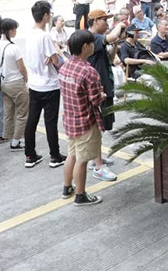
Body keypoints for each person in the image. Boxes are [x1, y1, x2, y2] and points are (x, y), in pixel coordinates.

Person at [59, 30, 106, 206]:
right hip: (85, 121)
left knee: (71, 154)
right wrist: (103, 95)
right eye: (92, 43)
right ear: (85, 46)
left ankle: (67, 188)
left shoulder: (64, 66)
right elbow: (95, 99)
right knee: (82, 160)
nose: (94, 45)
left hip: (70, 120)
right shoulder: (88, 71)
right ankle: (80, 195)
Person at [23, 1, 66, 169]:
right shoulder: (45, 36)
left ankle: (30, 155)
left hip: (34, 84)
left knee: (32, 120)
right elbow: (55, 59)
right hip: (49, 84)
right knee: (50, 121)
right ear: (46, 15)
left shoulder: (30, 34)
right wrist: (53, 57)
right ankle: (55, 155)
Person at [85, 8, 124, 179]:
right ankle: (98, 165)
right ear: (95, 21)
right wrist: (120, 24)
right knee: (96, 126)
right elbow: (112, 36)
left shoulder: (98, 40)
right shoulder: (92, 37)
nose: (107, 24)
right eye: (104, 20)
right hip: (97, 90)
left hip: (104, 86)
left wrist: (115, 45)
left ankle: (96, 158)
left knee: (101, 127)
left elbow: (110, 59)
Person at [0, 18, 29, 151]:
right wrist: (25, 78)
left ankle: (9, 137)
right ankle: (16, 141)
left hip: (4, 82)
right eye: (15, 29)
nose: (15, 31)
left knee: (8, 112)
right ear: (10, 30)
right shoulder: (14, 48)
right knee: (22, 113)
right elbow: (21, 68)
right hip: (16, 82)